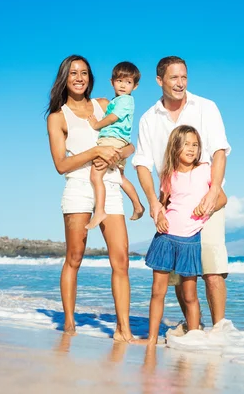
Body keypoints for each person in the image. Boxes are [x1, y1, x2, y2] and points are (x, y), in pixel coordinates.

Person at [132, 56, 231, 330]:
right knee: (178, 274)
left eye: (184, 77)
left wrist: (214, 193)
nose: (180, 83)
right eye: (174, 78)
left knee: (212, 267)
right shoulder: (149, 119)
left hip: (206, 196)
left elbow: (220, 151)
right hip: (172, 200)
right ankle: (193, 329)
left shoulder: (206, 107)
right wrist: (154, 202)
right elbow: (142, 163)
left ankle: (220, 331)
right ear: (159, 80)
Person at [46, 54, 134, 342]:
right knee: (74, 257)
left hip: (109, 184)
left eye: (84, 72)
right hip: (78, 188)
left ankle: (123, 331)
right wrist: (95, 152)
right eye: (73, 73)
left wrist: (117, 154)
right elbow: (61, 165)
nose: (79, 77)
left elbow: (129, 144)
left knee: (121, 260)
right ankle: (69, 325)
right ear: (65, 78)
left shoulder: (105, 105)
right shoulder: (58, 117)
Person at [138, 125, 227, 345]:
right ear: (175, 146)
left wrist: (206, 207)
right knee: (157, 292)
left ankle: (193, 338)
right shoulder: (168, 175)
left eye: (195, 145)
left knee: (190, 296)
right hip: (166, 239)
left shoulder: (205, 170)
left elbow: (222, 199)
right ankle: (151, 340)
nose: (191, 148)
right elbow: (163, 203)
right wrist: (159, 215)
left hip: (190, 242)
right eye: (186, 144)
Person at [85, 61, 144, 230]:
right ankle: (138, 205)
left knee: (96, 176)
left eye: (128, 82)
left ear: (135, 86)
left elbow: (113, 118)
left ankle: (100, 211)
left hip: (112, 139)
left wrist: (97, 125)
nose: (123, 85)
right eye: (119, 81)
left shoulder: (125, 100)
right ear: (112, 82)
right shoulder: (118, 100)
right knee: (120, 177)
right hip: (120, 140)